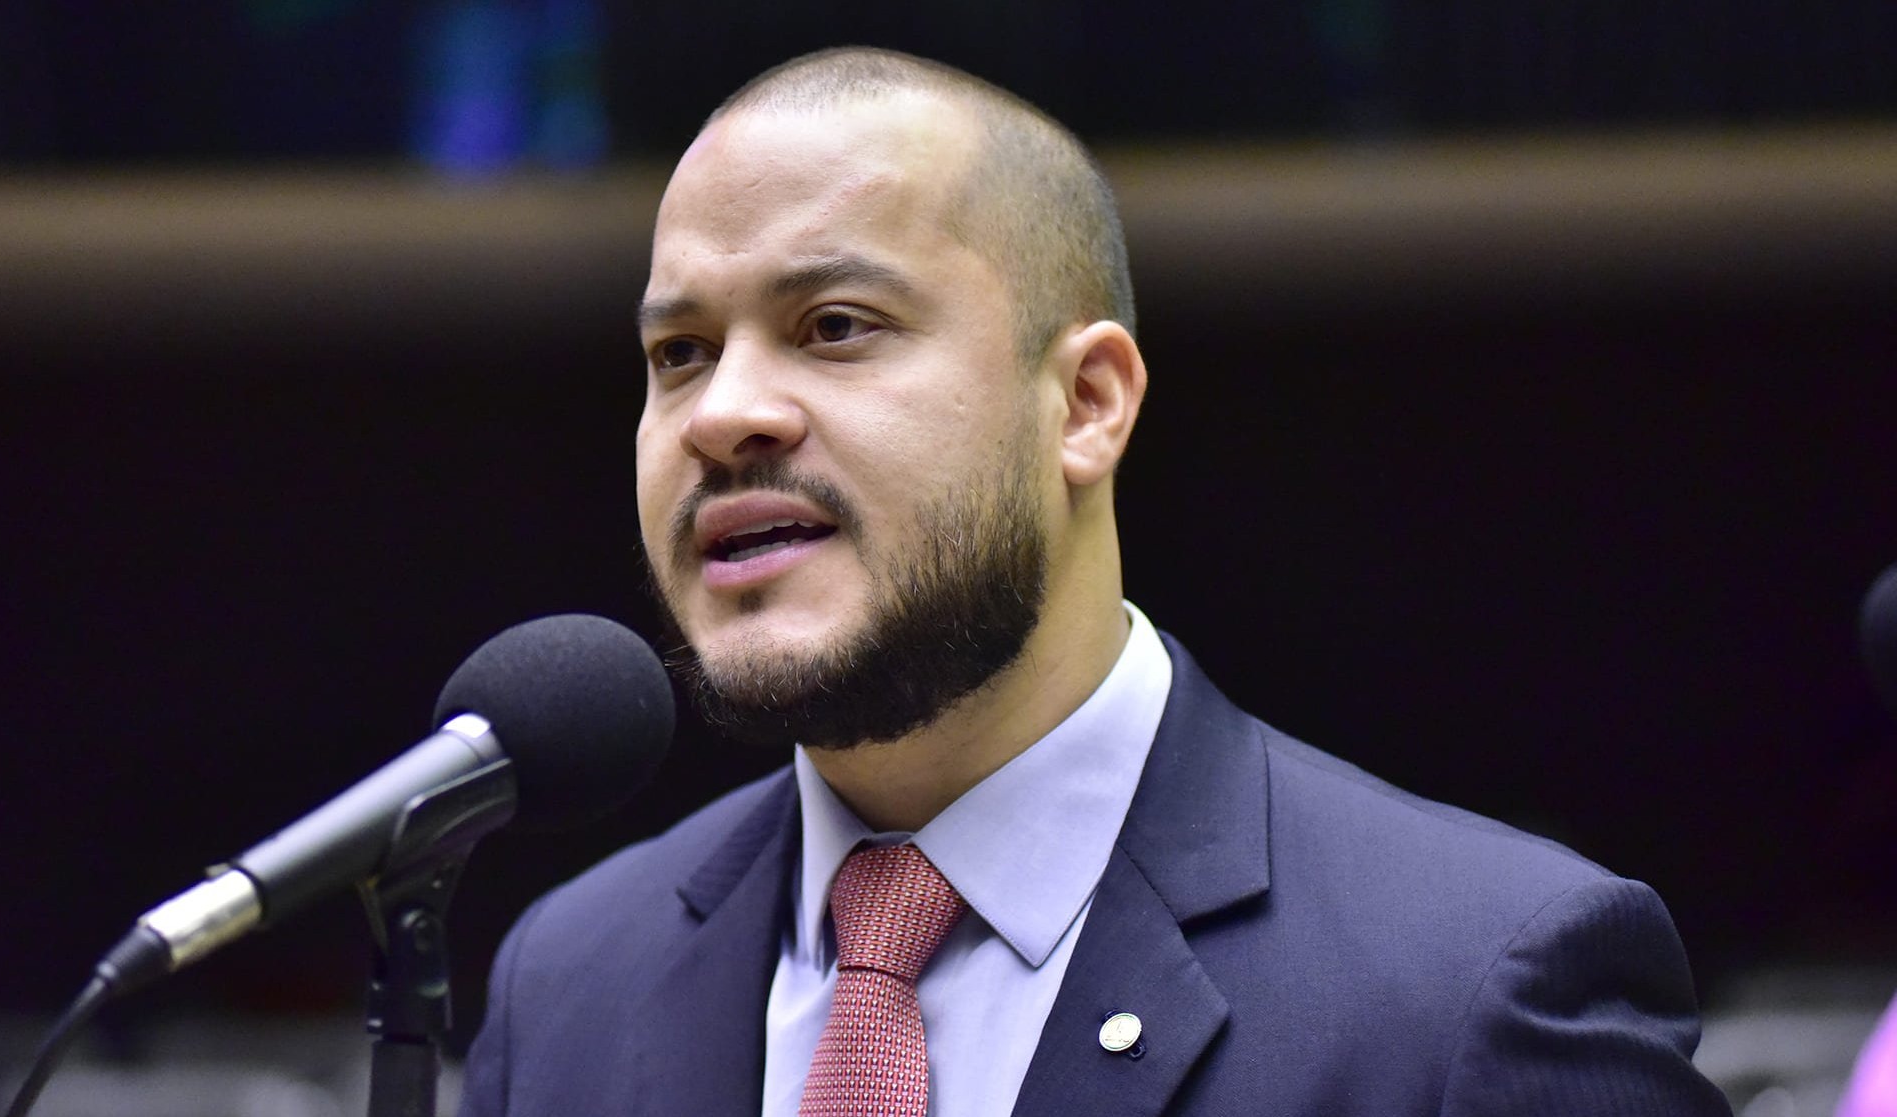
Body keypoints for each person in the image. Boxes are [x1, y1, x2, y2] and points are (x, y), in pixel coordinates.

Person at [459, 46, 1731, 1116]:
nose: (723, 413)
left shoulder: (1476, 985)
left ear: (1085, 403)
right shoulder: (568, 982)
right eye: (678, 352)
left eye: (834, 325)